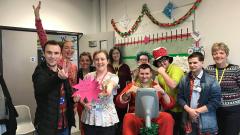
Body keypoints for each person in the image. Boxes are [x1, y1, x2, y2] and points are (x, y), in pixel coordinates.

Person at [116, 64, 175, 135]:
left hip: (154, 116)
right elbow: (119, 103)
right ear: (139, 74)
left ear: (151, 74)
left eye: (147, 73)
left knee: (167, 117)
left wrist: (163, 92)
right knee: (128, 117)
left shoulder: (156, 86)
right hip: (136, 115)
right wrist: (128, 92)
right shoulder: (131, 86)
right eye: (142, 74)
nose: (144, 76)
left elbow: (170, 105)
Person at [32, 40, 75, 135]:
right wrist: (58, 77)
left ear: (60, 55)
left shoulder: (62, 70)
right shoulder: (40, 71)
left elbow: (67, 94)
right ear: (44, 53)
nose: (52, 56)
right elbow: (41, 89)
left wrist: (75, 98)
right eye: (49, 52)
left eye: (56, 53)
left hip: (65, 124)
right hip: (47, 127)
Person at [33, 1, 77, 86]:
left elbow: (74, 86)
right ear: (60, 50)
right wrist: (37, 18)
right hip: (53, 97)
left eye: (72, 47)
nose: (70, 50)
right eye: (67, 47)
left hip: (68, 98)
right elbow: (43, 39)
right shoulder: (55, 61)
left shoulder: (74, 67)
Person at [76, 50, 119, 135]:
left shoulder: (113, 77)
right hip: (90, 117)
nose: (99, 62)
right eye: (97, 59)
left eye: (102, 59)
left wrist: (106, 90)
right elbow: (81, 95)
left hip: (106, 119)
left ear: (107, 61)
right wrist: (84, 103)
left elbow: (110, 87)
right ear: (94, 61)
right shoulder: (88, 76)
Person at [177, 52, 221, 135]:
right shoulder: (184, 79)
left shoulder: (211, 80)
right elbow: (180, 97)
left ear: (202, 62)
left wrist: (196, 112)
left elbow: (216, 101)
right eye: (190, 63)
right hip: (188, 119)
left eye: (195, 62)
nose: (192, 65)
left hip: (206, 121)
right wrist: (189, 110)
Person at [206, 42, 240, 135]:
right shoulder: (209, 69)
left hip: (233, 111)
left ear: (226, 54)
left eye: (221, 53)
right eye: (215, 53)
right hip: (214, 111)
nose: (218, 55)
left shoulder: (235, 69)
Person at [152, 47, 185, 135]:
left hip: (180, 108)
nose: (162, 63)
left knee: (179, 131)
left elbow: (173, 85)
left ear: (168, 60)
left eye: (164, 60)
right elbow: (162, 92)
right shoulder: (159, 76)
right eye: (159, 61)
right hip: (168, 108)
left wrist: (163, 73)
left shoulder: (175, 69)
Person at [107, 47, 132, 135]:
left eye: (117, 53)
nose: (116, 55)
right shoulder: (107, 66)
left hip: (122, 95)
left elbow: (129, 82)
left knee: (121, 115)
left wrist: (128, 93)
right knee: (110, 115)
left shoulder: (125, 66)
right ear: (111, 55)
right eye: (114, 53)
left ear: (120, 55)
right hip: (109, 95)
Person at [77, 52, 95, 135]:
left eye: (87, 60)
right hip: (81, 103)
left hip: (93, 103)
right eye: (82, 60)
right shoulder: (78, 73)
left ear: (91, 61)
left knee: (93, 124)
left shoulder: (95, 71)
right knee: (83, 124)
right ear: (80, 62)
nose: (85, 62)